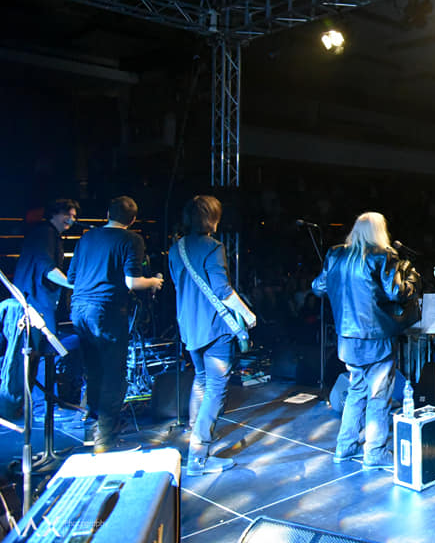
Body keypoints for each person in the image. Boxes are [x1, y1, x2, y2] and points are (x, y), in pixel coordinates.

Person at [311, 212, 419, 470]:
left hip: (347, 339)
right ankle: (375, 452)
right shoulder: (382, 255)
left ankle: (345, 447)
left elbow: (318, 287)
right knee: (379, 395)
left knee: (356, 391)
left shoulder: (335, 254)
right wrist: (412, 279)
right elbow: (396, 292)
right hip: (375, 338)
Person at [168, 196, 256, 476]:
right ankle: (199, 457)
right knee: (216, 388)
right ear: (212, 218)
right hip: (215, 327)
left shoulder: (176, 248)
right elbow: (223, 290)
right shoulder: (213, 247)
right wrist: (248, 315)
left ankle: (196, 433)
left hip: (189, 325)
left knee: (201, 379)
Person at [68, 196, 163, 452]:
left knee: (93, 370)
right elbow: (132, 282)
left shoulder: (87, 237)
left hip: (79, 309)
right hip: (106, 311)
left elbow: (72, 278)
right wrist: (153, 282)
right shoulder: (131, 239)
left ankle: (92, 429)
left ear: (107, 214)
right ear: (132, 220)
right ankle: (105, 439)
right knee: (113, 374)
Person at [13, 199, 83, 404]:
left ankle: (39, 402)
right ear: (55, 214)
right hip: (35, 302)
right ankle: (39, 404)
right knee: (40, 352)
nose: (72, 219)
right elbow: (47, 268)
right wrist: (74, 286)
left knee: (40, 353)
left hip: (37, 300)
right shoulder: (45, 233)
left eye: (74, 216)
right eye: (68, 214)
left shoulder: (48, 234)